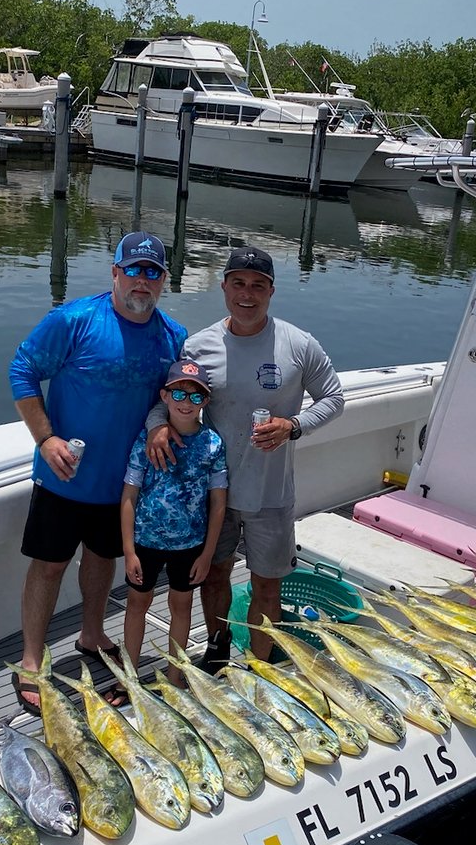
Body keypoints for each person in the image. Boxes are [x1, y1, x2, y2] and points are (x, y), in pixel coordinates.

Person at [8, 231, 186, 714]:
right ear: (115, 273)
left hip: (125, 484)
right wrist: (46, 439)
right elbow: (22, 370)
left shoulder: (174, 336)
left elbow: (174, 399)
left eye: (153, 272)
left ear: (164, 280)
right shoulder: (73, 320)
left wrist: (161, 427)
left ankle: (91, 633)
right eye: (134, 269)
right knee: (48, 566)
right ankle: (30, 660)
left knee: (102, 558)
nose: (142, 281)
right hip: (64, 474)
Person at [146, 245, 344, 666]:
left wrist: (293, 426)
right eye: (238, 283)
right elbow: (169, 398)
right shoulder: (198, 346)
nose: (247, 294)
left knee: (266, 585)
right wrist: (156, 426)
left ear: (271, 291)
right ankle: (217, 651)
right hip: (210, 493)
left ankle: (260, 661)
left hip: (270, 492)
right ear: (224, 287)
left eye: (258, 285)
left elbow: (334, 398)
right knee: (214, 574)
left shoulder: (299, 344)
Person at [119, 360, 227, 698]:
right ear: (164, 396)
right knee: (138, 604)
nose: (185, 403)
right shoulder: (145, 440)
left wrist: (208, 553)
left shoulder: (213, 444)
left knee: (182, 607)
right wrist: (129, 550)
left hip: (190, 545)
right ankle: (128, 676)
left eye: (195, 398)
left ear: (205, 403)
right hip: (145, 543)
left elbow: (219, 503)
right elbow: (129, 495)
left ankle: (176, 677)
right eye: (178, 393)